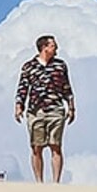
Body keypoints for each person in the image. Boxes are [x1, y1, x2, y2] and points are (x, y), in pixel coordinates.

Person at [14, 34, 76, 183]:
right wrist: (18, 106)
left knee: (56, 146)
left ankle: (55, 182)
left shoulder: (60, 65)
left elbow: (67, 87)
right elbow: (22, 88)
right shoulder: (28, 67)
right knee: (36, 147)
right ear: (44, 48)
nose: (56, 49)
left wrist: (71, 107)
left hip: (55, 109)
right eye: (53, 46)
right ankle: (39, 182)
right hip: (35, 110)